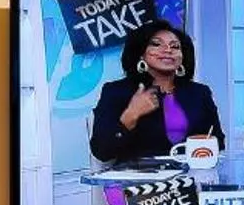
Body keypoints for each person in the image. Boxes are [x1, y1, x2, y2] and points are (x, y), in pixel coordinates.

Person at [89, 20, 223, 163]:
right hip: (137, 180)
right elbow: (101, 151)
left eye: (175, 46)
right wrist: (131, 115)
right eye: (156, 44)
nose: (167, 50)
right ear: (141, 54)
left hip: (190, 179)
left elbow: (219, 142)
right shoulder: (116, 92)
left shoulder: (199, 93)